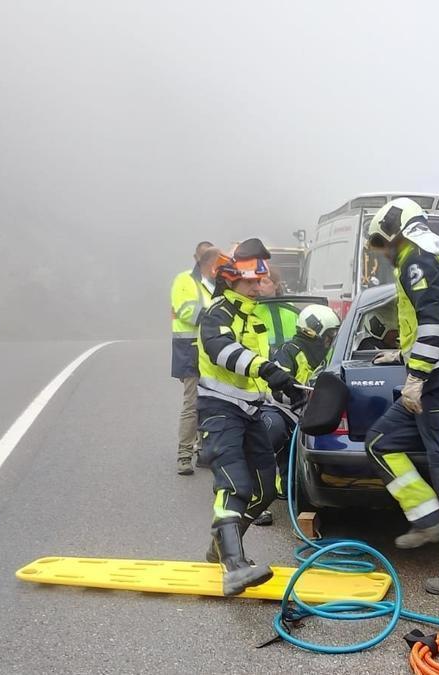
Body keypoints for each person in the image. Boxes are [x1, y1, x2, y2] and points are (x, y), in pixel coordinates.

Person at [361, 197, 439, 596]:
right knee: (380, 443)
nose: (381, 252)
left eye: (381, 243)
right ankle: (427, 517)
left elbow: (436, 322)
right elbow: (432, 327)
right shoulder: (428, 258)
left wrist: (415, 375)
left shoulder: (417, 258)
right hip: (437, 383)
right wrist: (403, 353)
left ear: (391, 232)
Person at [195, 238, 306, 596]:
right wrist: (267, 367)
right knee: (234, 485)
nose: (260, 287)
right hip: (219, 412)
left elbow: (258, 372)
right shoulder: (217, 313)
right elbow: (221, 350)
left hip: (251, 411)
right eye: (253, 282)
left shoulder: (252, 316)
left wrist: (285, 388)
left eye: (261, 281)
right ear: (232, 279)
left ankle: (219, 547)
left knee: (262, 489)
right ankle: (234, 567)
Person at [252, 303, 340, 526]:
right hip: (280, 411)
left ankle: (286, 486)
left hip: (308, 414)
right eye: (329, 335)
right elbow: (277, 389)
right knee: (272, 429)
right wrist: (301, 398)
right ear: (315, 330)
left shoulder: (329, 355)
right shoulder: (289, 351)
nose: (331, 340)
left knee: (295, 482)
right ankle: (250, 494)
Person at [170, 242, 220, 475]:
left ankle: (204, 451)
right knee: (192, 403)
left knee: (209, 401)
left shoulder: (215, 281)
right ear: (197, 258)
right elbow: (186, 310)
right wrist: (217, 319)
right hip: (189, 348)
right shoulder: (185, 280)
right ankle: (184, 455)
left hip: (210, 349)